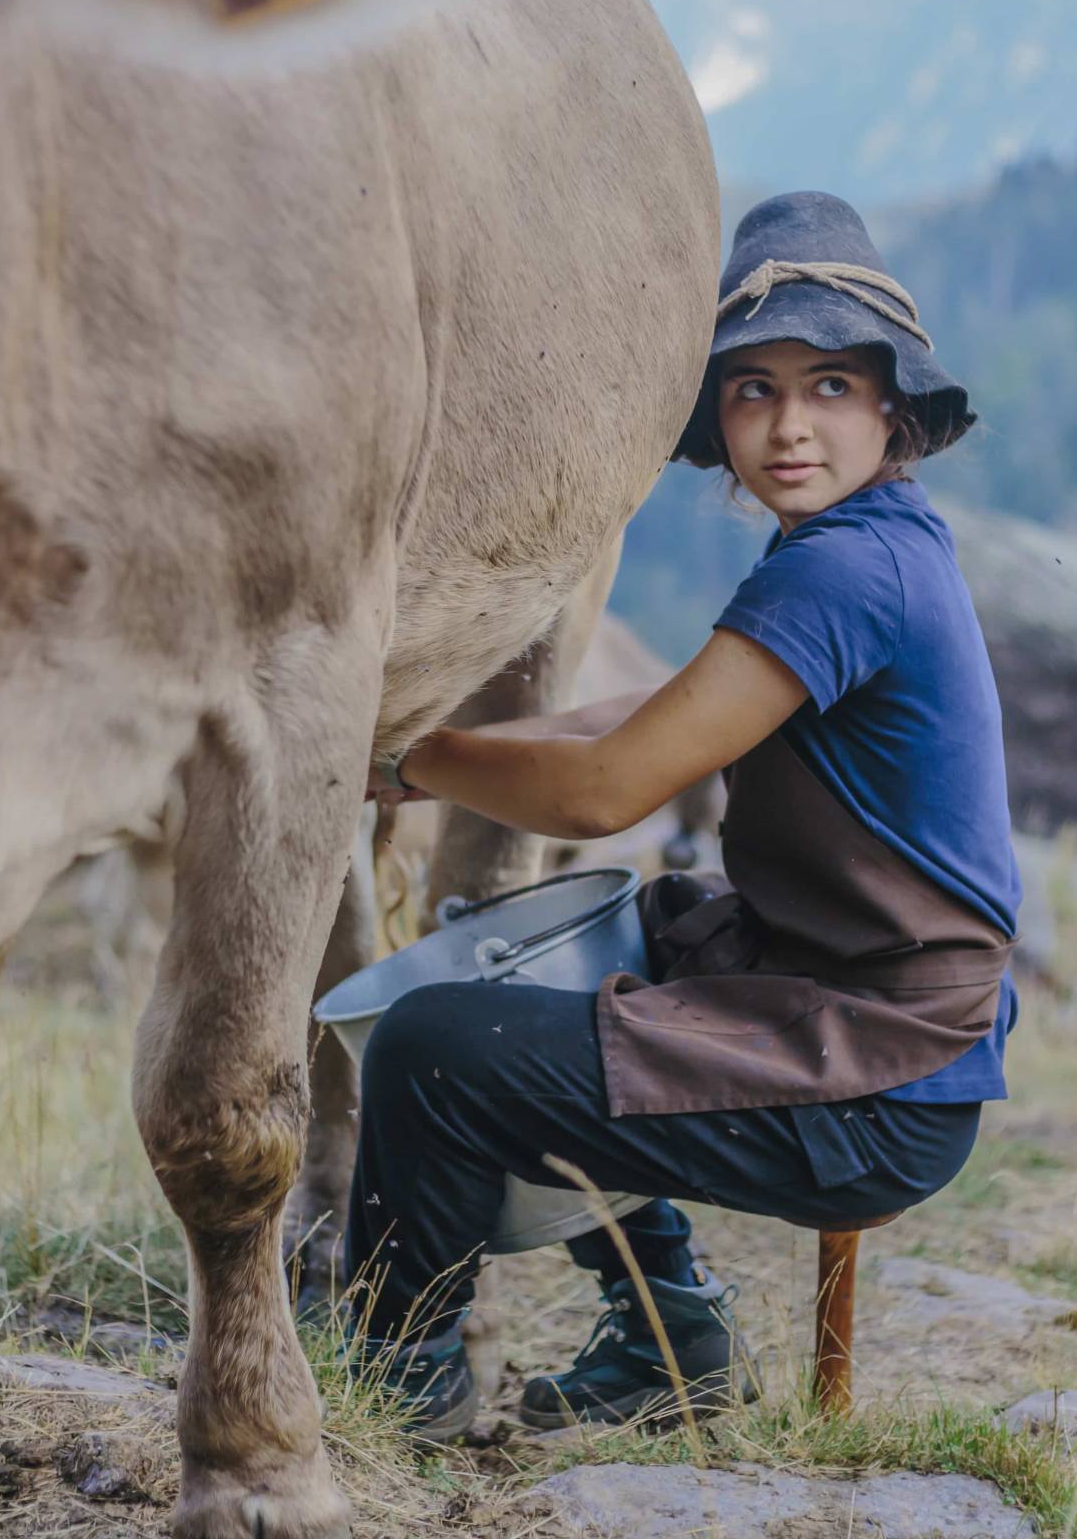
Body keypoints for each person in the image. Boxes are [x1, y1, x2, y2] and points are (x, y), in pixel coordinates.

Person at [349, 192, 1019, 1440]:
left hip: (875, 1077)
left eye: (827, 385)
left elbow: (611, 787)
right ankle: (673, 1337)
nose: (788, 426)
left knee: (433, 1049)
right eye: (752, 389)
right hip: (869, 1005)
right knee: (626, 942)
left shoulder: (842, 569)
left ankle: (398, 1389)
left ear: (891, 404)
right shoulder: (883, 536)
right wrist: (405, 756)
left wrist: (432, 764)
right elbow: (648, 715)